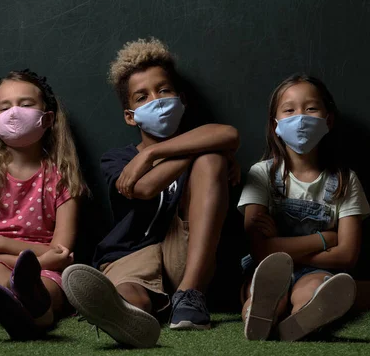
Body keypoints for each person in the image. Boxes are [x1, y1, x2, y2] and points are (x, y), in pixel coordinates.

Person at [63, 38, 240, 348]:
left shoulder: (203, 155)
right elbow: (143, 188)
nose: (156, 100)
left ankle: (190, 296)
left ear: (181, 99)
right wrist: (203, 146)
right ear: (130, 116)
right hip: (130, 252)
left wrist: (150, 156)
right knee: (130, 291)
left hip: (186, 255)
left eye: (164, 90)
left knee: (210, 160)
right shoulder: (116, 159)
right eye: (142, 96)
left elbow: (230, 134)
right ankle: (124, 313)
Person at [0, 69, 84, 340]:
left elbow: (60, 251)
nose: (15, 112)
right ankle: (16, 300)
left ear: (47, 119)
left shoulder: (62, 179)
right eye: (5, 107)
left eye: (25, 104)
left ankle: (30, 302)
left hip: (44, 270)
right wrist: (35, 258)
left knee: (49, 285)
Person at [238, 74, 370, 341]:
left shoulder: (345, 181)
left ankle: (302, 318)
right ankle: (260, 313)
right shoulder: (261, 175)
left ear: (328, 120)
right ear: (276, 124)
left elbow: (347, 256)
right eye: (289, 110)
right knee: (267, 287)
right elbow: (259, 249)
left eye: (311, 108)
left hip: (316, 271)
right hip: (266, 270)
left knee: (312, 288)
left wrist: (280, 246)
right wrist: (325, 239)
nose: (300, 117)